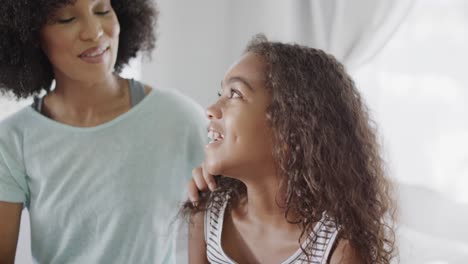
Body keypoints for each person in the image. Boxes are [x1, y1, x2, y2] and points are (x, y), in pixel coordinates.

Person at [0, 0, 206, 263]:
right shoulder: (13, 140)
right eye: (66, 19)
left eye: (102, 11)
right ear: (31, 36)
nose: (94, 32)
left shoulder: (179, 118)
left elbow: (241, 215)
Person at [184, 35, 397, 264]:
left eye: (235, 94)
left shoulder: (339, 248)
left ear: (289, 128)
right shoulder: (208, 214)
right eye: (220, 94)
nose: (210, 109)